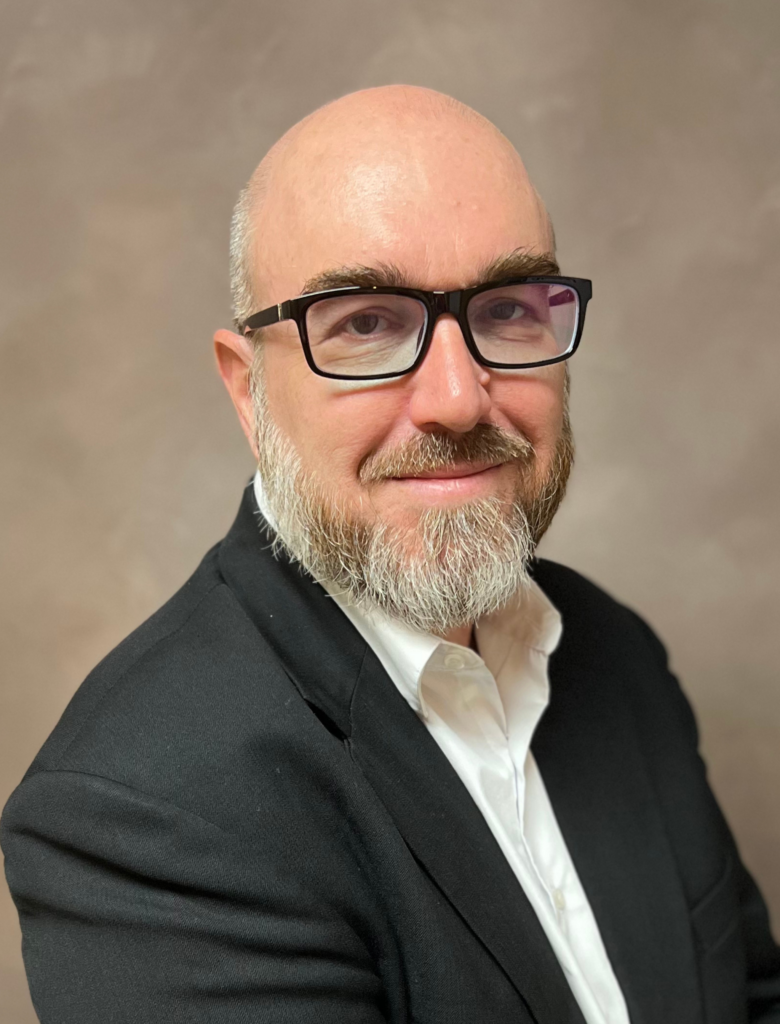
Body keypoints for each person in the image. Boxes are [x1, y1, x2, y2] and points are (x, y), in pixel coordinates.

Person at [2, 85, 778, 1024]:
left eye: (505, 310)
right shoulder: (141, 814)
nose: (456, 397)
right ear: (249, 392)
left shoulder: (612, 654)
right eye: (366, 324)